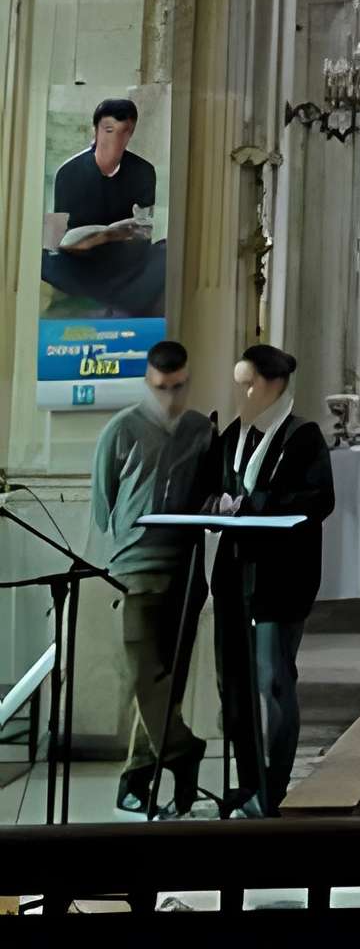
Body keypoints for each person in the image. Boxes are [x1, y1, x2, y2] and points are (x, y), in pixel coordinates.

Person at [200, 343, 334, 816]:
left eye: (250, 383)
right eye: (240, 385)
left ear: (275, 385)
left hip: (281, 578)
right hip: (235, 574)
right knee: (233, 683)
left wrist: (254, 506)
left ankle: (273, 789)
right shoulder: (233, 433)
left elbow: (319, 499)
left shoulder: (303, 436)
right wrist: (215, 505)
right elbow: (212, 491)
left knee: (273, 679)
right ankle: (247, 783)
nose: (244, 393)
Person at [89, 339, 212, 814]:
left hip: (184, 569)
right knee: (147, 677)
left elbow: (209, 493)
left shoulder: (202, 431)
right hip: (134, 572)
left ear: (187, 380)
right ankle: (183, 751)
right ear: (148, 381)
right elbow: (103, 503)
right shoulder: (121, 430)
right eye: (161, 388)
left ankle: (136, 780)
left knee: (168, 685)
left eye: (178, 387)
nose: (170, 397)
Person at [41, 97, 165, 317]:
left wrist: (133, 234)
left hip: (125, 267)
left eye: (125, 131)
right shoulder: (69, 172)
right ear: (95, 130)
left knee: (166, 253)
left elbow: (148, 228)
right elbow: (55, 241)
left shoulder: (143, 171)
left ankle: (125, 305)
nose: (116, 140)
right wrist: (104, 235)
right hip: (79, 265)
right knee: (43, 259)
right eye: (109, 130)